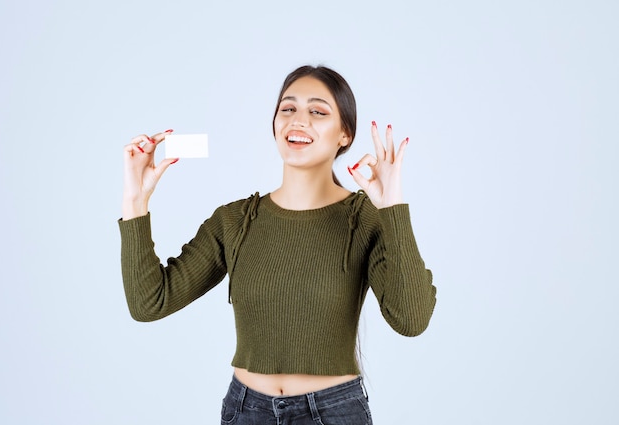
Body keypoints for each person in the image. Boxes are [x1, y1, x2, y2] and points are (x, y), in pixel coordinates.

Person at [119, 65, 437, 424]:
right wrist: (136, 200)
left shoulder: (366, 219)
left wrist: (392, 206)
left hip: (333, 413)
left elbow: (412, 319)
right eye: (288, 109)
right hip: (245, 411)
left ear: (344, 135)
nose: (298, 120)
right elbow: (149, 302)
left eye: (317, 111)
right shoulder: (235, 221)